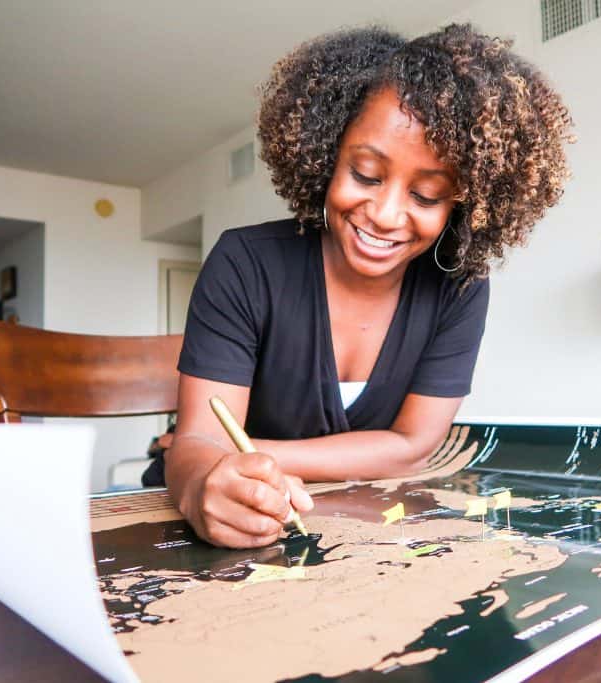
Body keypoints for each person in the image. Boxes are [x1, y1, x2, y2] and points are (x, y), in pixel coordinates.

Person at [144, 23, 573, 548]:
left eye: (427, 196)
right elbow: (197, 443)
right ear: (326, 157)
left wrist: (249, 449)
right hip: (218, 527)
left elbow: (413, 445)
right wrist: (204, 478)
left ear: (463, 203)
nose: (387, 215)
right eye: (366, 175)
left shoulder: (458, 290)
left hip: (358, 528)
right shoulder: (245, 263)